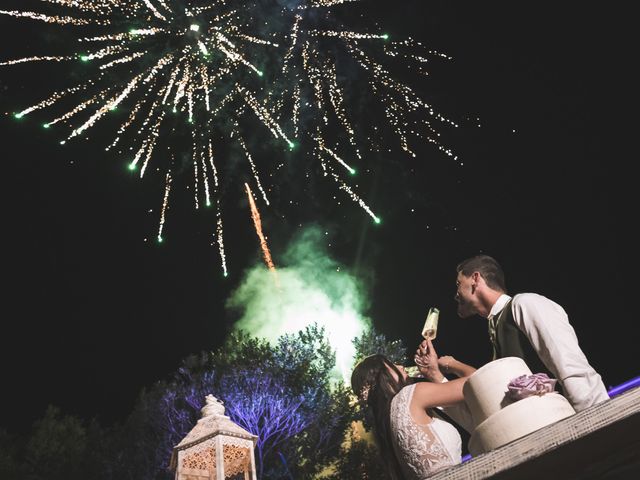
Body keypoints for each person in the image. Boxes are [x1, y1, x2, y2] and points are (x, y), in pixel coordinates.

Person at [453, 254, 609, 412]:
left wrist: (595, 418)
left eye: (458, 284)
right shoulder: (496, 326)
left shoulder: (524, 303)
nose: (456, 294)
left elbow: (570, 365)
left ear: (475, 278)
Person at [351, 338, 476, 480]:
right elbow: (477, 381)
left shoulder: (387, 425)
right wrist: (450, 364)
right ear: (382, 377)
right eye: (391, 365)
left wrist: (433, 374)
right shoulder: (411, 395)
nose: (400, 366)